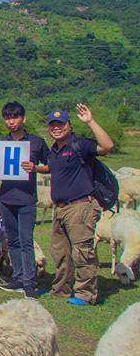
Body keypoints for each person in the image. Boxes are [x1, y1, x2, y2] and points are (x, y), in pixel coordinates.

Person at [46, 105, 114, 306]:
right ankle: (61, 288)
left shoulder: (80, 145)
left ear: (69, 125)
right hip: (60, 208)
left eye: (61, 124)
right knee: (60, 253)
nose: (56, 128)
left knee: (82, 251)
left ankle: (85, 293)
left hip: (80, 206)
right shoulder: (54, 150)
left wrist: (90, 121)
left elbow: (107, 146)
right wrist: (35, 168)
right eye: (53, 125)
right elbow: (54, 169)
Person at [0, 102, 50, 299]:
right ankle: (18, 278)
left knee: (26, 241)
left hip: (26, 199)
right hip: (6, 198)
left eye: (15, 117)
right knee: (13, 240)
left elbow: (50, 165)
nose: (11, 121)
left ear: (23, 118)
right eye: (8, 118)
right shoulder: (2, 143)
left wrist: (35, 168)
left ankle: (30, 283)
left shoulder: (36, 142)